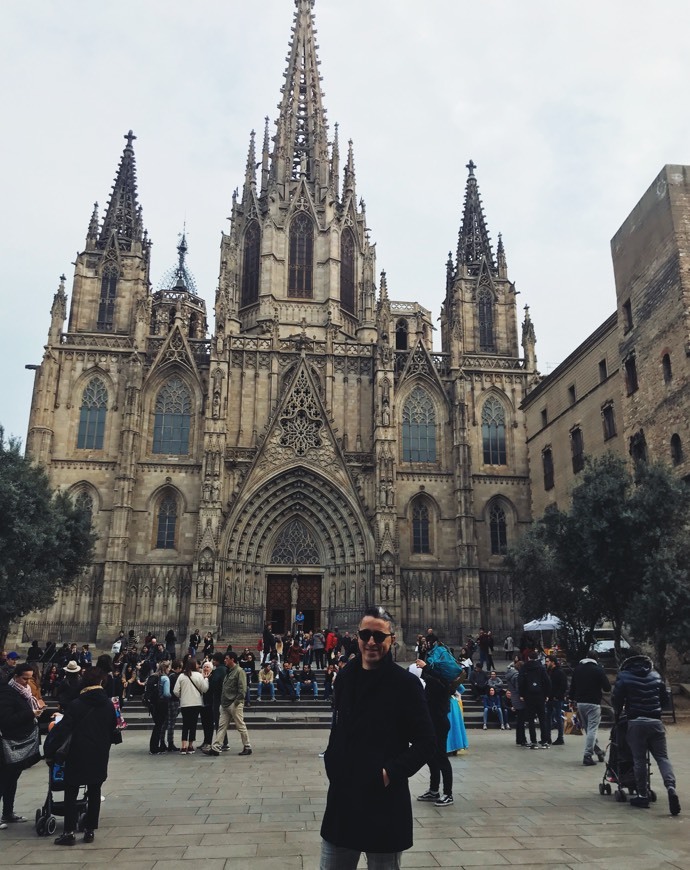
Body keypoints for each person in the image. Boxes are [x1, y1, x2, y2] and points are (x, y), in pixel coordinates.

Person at [320, 605, 435, 868]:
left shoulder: (405, 684)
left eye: (380, 636)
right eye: (365, 635)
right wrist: (333, 761)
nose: (372, 642)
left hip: (384, 803)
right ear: (357, 637)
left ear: (391, 640)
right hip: (343, 801)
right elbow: (339, 728)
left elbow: (427, 741)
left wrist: (388, 773)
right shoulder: (346, 676)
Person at [53, 667, 118, 846]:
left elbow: (65, 729)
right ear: (101, 682)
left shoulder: (76, 704)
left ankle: (69, 832)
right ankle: (89, 830)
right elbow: (113, 726)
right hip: (99, 752)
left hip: (77, 752)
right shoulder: (107, 704)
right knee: (95, 791)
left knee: (71, 791)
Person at [612, 655, 681, 814]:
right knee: (662, 757)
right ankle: (670, 787)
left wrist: (618, 714)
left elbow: (617, 699)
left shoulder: (624, 676)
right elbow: (664, 700)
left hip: (636, 722)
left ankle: (642, 795)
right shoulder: (656, 676)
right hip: (656, 722)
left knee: (639, 759)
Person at [0, 661, 42, 826]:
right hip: (8, 744)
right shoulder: (7, 693)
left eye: (30, 678)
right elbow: (7, 720)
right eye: (25, 679)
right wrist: (30, 714)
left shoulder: (25, 692)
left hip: (19, 743)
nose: (28, 682)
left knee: (12, 779)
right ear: (16, 676)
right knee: (3, 779)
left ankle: (8, 813)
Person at [415, 656, 454, 806]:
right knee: (432, 758)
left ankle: (448, 793)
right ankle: (434, 790)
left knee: (441, 758)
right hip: (433, 723)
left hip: (439, 724)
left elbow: (432, 678)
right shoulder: (436, 683)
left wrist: (425, 667)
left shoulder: (441, 683)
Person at [569, 650, 610, 765]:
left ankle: (598, 751)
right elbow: (607, 687)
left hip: (581, 703)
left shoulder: (578, 669)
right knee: (592, 730)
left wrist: (571, 699)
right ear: (596, 659)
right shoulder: (598, 670)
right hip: (593, 702)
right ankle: (587, 755)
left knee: (588, 729)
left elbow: (573, 686)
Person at [211, 651, 252, 756]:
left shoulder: (239, 671)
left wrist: (236, 702)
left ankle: (247, 746)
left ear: (232, 659)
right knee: (221, 726)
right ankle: (216, 747)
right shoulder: (228, 671)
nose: (224, 660)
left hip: (234, 703)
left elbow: (242, 689)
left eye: (227, 658)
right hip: (225, 703)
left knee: (240, 725)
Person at [173, 657, 208, 754]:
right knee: (193, 724)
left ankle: (183, 746)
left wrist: (182, 696)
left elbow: (175, 691)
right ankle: (190, 745)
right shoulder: (198, 675)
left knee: (185, 724)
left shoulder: (181, 676)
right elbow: (205, 689)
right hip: (196, 703)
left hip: (185, 703)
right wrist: (205, 679)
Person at [518, 651, 551, 748]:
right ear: (537, 658)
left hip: (529, 696)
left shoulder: (525, 667)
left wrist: (522, 694)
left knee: (531, 719)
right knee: (542, 718)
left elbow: (521, 681)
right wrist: (547, 694)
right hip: (540, 695)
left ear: (528, 658)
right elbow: (547, 681)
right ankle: (544, 741)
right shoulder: (541, 667)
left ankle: (533, 742)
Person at [147, 661, 171, 754]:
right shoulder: (165, 678)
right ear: (165, 668)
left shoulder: (153, 676)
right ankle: (154, 747)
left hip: (153, 704)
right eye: (168, 668)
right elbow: (166, 693)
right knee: (159, 726)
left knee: (157, 725)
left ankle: (154, 746)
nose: (169, 670)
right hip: (162, 704)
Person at [545, 654, 567, 746]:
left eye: (547, 661)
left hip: (556, 698)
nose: (546, 663)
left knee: (558, 717)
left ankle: (560, 737)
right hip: (550, 698)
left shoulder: (559, 672)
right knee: (548, 717)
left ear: (552, 662)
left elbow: (563, 686)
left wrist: (557, 696)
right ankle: (547, 737)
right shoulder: (549, 671)